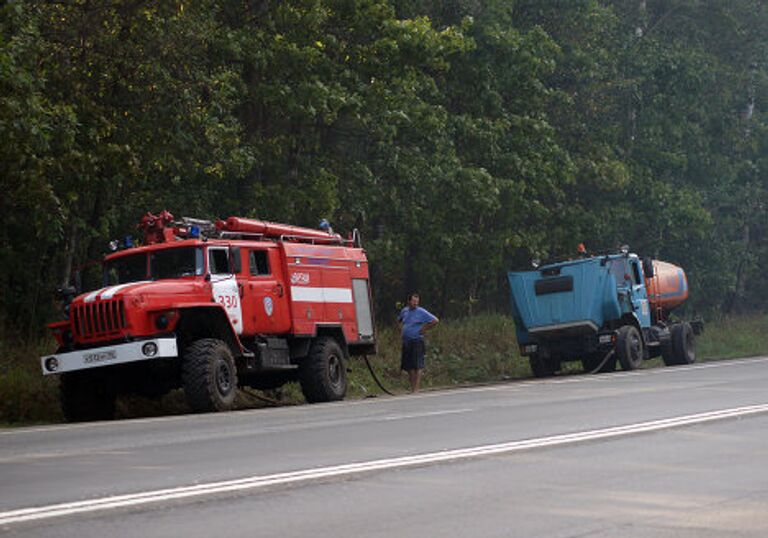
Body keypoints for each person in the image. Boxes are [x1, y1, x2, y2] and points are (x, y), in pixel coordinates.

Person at [398, 292, 439, 393]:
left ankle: (416, 388)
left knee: (417, 365)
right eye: (413, 301)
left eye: (417, 301)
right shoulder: (405, 311)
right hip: (407, 341)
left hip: (417, 340)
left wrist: (424, 328)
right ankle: (412, 388)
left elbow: (435, 320)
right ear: (409, 301)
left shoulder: (421, 311)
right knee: (409, 366)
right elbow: (399, 320)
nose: (415, 303)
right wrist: (401, 330)